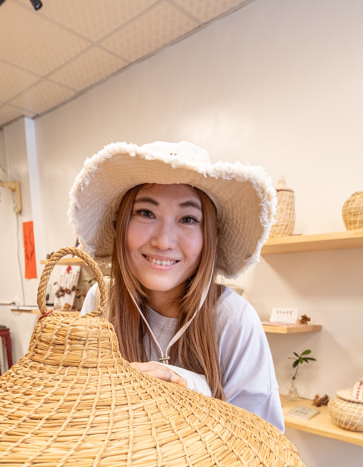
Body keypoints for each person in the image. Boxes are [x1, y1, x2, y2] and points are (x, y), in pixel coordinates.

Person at [69, 140, 284, 431]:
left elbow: (263, 437)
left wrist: (190, 386)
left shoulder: (233, 318)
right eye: (146, 213)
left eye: (188, 219)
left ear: (209, 235)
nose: (163, 241)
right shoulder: (100, 301)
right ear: (121, 224)